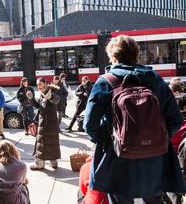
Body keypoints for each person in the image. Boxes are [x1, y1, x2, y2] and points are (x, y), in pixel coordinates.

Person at [84, 35, 186, 203]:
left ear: (114, 58)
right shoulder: (156, 80)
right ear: (136, 55)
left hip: (118, 156)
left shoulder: (105, 82)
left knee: (119, 198)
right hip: (155, 157)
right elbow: (175, 119)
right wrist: (157, 138)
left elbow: (90, 124)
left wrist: (107, 142)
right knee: (154, 199)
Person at [30, 78, 61, 170]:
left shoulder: (52, 91)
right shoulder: (43, 93)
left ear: (45, 83)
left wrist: (50, 97)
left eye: (40, 84)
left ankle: (40, 164)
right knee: (51, 143)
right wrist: (31, 99)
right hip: (45, 123)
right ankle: (53, 162)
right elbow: (39, 106)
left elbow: (56, 100)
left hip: (48, 124)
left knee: (42, 144)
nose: (38, 86)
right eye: (37, 84)